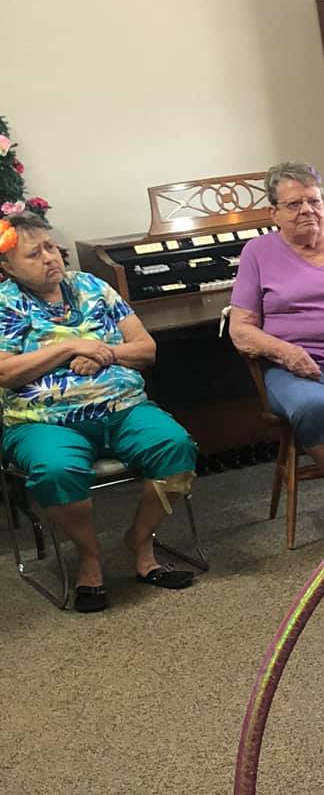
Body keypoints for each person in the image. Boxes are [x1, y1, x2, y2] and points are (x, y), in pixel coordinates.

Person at [0, 201, 199, 612]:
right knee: (55, 470)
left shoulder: (93, 286)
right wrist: (69, 347)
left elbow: (145, 349)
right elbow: (4, 373)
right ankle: (89, 558)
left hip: (123, 408)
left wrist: (103, 352)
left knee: (178, 451)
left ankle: (141, 545)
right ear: (8, 268)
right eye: (33, 254)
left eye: (51, 248)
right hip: (43, 423)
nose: (49, 258)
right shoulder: (4, 304)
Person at [227, 162, 324, 522]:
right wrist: (286, 352)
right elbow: (241, 329)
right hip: (297, 368)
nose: (307, 211)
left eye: (314, 201)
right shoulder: (258, 252)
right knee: (313, 408)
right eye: (294, 204)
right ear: (273, 212)